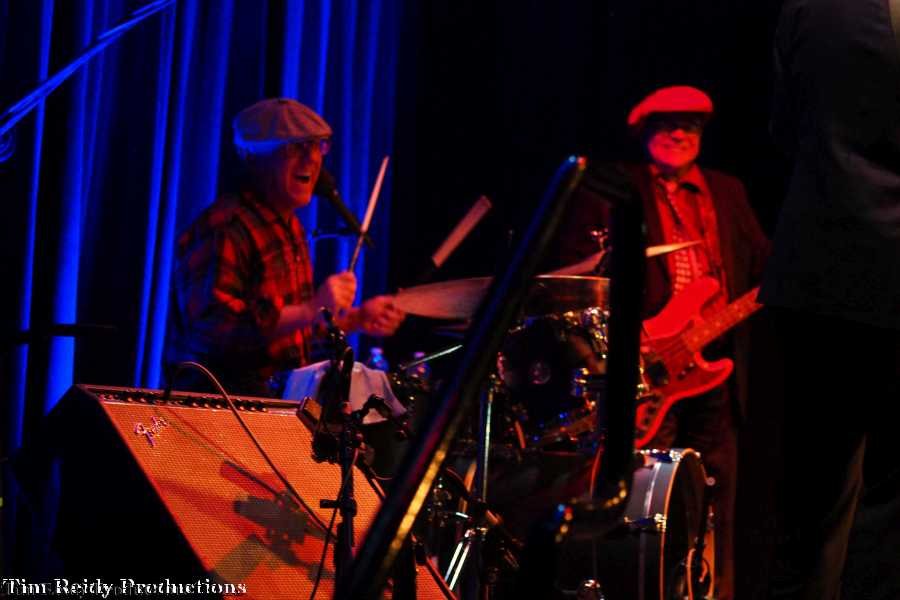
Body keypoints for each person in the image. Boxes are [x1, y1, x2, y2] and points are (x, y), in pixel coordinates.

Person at [552, 85, 771, 600]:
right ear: (645, 131)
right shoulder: (615, 187)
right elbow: (575, 276)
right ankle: (640, 584)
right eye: (667, 124)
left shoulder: (726, 190)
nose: (679, 134)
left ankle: (713, 591)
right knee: (647, 483)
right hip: (647, 361)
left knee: (718, 488)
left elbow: (761, 262)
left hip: (716, 363)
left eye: (690, 126)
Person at [761, 1, 900, 598]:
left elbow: (785, 133)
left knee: (809, 506)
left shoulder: (809, 8)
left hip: (821, 274)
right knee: (889, 513)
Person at [166, 97, 405, 397]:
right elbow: (211, 328)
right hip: (221, 406)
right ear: (254, 157)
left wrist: (356, 319)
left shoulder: (289, 225)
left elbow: (292, 337)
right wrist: (309, 309)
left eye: (318, 146)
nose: (312, 159)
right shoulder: (225, 226)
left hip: (272, 404)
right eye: (295, 148)